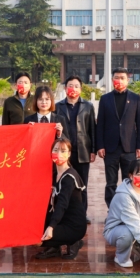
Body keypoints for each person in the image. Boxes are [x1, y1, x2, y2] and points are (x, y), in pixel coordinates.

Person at [96, 68, 140, 207]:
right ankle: (112, 210)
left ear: (127, 80)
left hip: (129, 147)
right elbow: (100, 124)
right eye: (116, 78)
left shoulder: (135, 98)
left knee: (128, 180)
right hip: (110, 148)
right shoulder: (105, 99)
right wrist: (100, 146)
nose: (119, 80)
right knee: (110, 182)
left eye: (122, 78)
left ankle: (127, 208)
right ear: (112, 80)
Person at [103, 159, 140, 268]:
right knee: (128, 233)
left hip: (139, 226)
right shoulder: (123, 196)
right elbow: (134, 224)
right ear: (131, 176)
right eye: (138, 174)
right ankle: (121, 257)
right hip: (118, 230)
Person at [35, 138, 87, 260]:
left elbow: (62, 204)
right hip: (61, 220)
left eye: (63, 151)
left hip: (73, 226)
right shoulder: (53, 175)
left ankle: (74, 241)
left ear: (69, 154)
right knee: (33, 230)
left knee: (36, 240)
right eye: (56, 150)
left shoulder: (69, 177)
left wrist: (51, 227)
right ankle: (55, 247)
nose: (59, 154)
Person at [55, 75, 96, 222]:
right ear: (65, 88)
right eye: (70, 86)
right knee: (64, 183)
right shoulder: (58, 106)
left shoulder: (88, 106)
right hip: (63, 152)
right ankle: (63, 215)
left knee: (82, 184)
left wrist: (93, 150)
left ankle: (81, 215)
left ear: (81, 89)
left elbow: (92, 129)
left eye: (76, 86)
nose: (73, 88)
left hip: (82, 151)